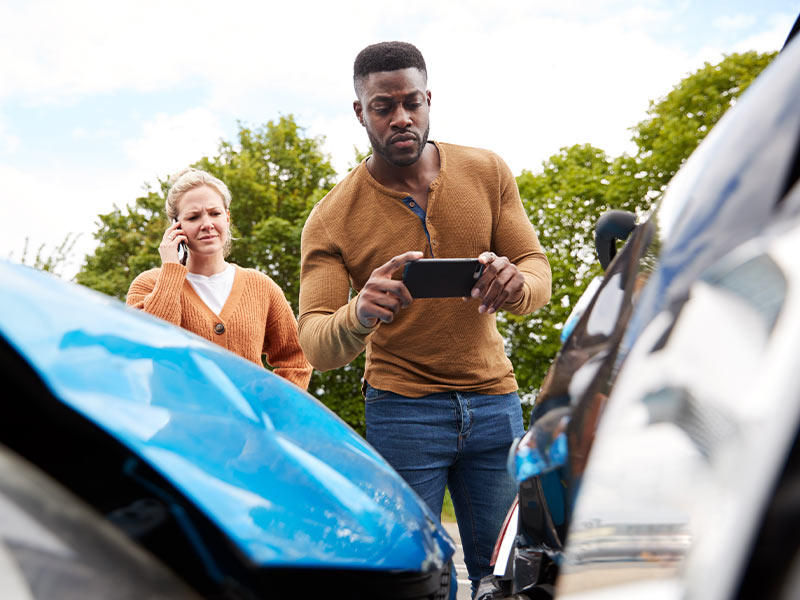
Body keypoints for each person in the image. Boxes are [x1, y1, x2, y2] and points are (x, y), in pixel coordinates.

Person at [298, 41, 551, 595]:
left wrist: (517, 284)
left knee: (508, 577)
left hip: (494, 402)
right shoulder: (330, 218)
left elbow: (536, 270)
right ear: (360, 112)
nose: (401, 117)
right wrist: (360, 313)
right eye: (383, 107)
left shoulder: (487, 171)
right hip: (402, 412)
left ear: (429, 99)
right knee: (415, 583)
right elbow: (316, 342)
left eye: (412, 102)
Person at [127, 167, 312, 390]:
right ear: (176, 226)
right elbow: (152, 348)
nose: (207, 224)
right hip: (180, 422)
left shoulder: (261, 286)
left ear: (227, 217)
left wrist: (273, 408)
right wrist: (170, 269)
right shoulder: (148, 285)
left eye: (214, 213)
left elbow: (296, 359)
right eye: (194, 217)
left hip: (247, 424)